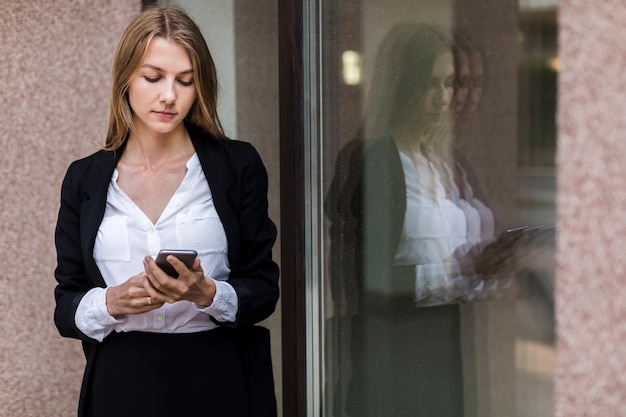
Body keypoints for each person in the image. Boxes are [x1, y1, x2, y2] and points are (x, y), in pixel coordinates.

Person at [53, 6, 279, 417]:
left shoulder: (238, 165)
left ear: (200, 86)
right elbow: (65, 304)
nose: (169, 95)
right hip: (120, 383)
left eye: (185, 81)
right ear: (125, 78)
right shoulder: (83, 179)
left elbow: (264, 287)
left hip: (217, 377)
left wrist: (208, 294)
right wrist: (112, 302)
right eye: (153, 77)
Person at [325, 23, 519, 416]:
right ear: (401, 86)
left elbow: (462, 260)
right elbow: (366, 280)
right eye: (429, 84)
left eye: (449, 83)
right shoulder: (372, 161)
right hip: (393, 348)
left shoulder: (447, 162)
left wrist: (494, 263)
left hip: (446, 340)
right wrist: (462, 269)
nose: (443, 98)